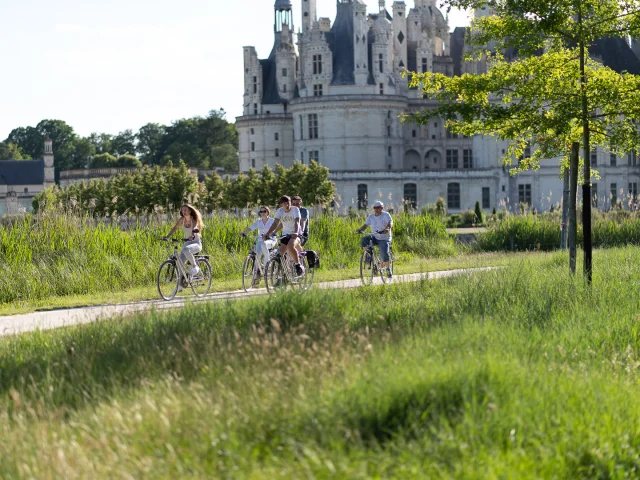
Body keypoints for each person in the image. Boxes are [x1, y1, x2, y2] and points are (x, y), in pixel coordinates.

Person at [263, 195, 305, 276]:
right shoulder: (279, 211)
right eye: (284, 203)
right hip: (285, 235)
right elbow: (275, 223)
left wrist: (296, 232)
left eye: (288, 202)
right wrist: (268, 233)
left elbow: (297, 221)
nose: (287, 204)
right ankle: (283, 276)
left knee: (290, 246)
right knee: (279, 255)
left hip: (296, 234)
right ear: (281, 205)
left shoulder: (295, 209)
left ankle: (298, 265)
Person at [164, 204, 204, 281]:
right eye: (182, 210)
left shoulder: (193, 219)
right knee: (180, 263)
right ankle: (181, 283)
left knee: (186, 249)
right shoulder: (182, 219)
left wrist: (192, 235)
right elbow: (175, 227)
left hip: (196, 243)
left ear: (189, 210)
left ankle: (195, 266)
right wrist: (167, 236)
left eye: (185, 210)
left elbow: (195, 227)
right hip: (187, 243)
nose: (183, 211)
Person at [356, 200, 393, 278]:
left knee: (384, 253)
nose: (376, 209)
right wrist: (360, 230)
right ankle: (369, 256)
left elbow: (390, 223)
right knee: (364, 240)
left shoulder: (386, 215)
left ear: (382, 208)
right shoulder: (371, 216)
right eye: (375, 208)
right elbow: (365, 225)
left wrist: (387, 229)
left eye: (378, 208)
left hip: (384, 238)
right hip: (375, 237)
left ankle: (388, 270)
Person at [240, 206, 276, 279]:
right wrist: (243, 232)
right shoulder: (258, 221)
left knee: (264, 244)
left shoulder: (272, 221)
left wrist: (268, 235)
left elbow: (275, 230)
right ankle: (257, 273)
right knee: (257, 255)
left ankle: (267, 264)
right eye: (261, 212)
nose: (262, 213)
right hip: (260, 240)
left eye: (264, 211)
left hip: (271, 240)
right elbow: (251, 228)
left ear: (268, 212)